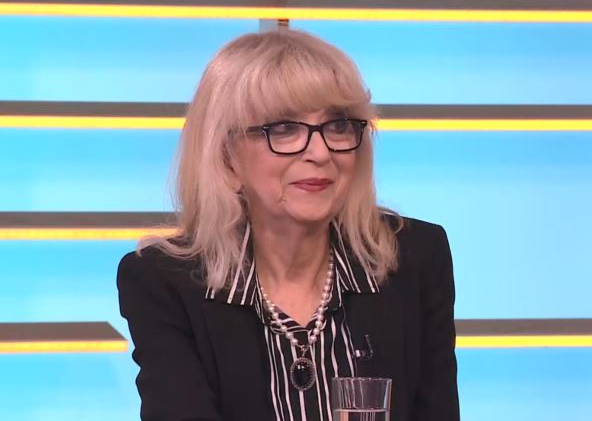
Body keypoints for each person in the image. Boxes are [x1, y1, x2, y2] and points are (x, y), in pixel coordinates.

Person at [117, 29, 459, 421]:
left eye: (338, 125)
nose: (320, 152)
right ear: (227, 157)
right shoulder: (163, 282)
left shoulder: (415, 257)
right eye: (284, 128)